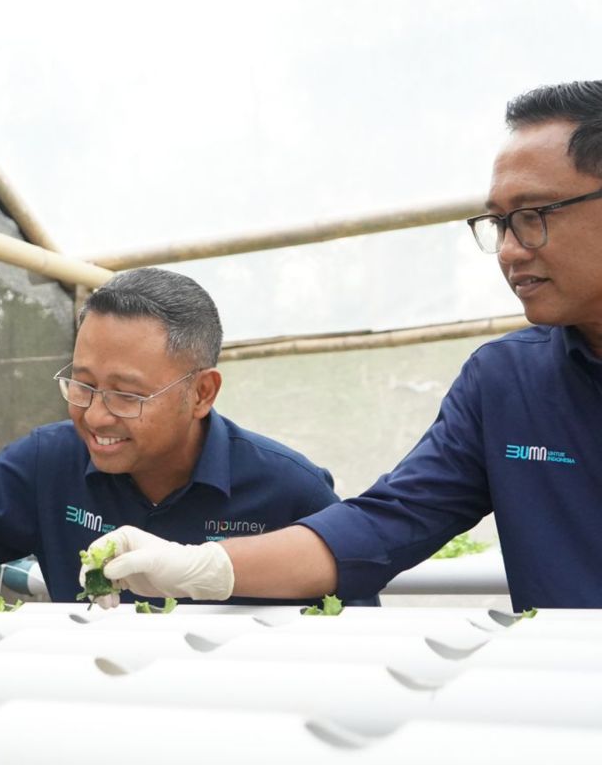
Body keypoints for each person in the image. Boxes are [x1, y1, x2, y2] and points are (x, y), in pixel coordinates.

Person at [84, 80, 602, 612]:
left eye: (534, 215)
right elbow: (384, 523)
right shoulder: (507, 384)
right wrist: (204, 567)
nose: (510, 249)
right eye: (499, 222)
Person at [0, 268, 350, 615]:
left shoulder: (289, 488)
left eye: (126, 395)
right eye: (82, 383)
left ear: (201, 392)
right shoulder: (51, 461)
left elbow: (355, 623)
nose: (94, 415)